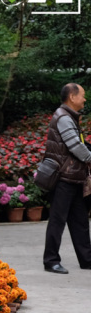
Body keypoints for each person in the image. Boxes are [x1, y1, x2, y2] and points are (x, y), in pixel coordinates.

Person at [42, 82, 91, 274]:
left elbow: (79, 143)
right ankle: (51, 260)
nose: (85, 99)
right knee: (57, 220)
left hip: (73, 178)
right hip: (63, 178)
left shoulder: (69, 117)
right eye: (82, 95)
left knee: (79, 220)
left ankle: (87, 259)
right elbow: (75, 147)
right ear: (72, 96)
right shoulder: (63, 117)